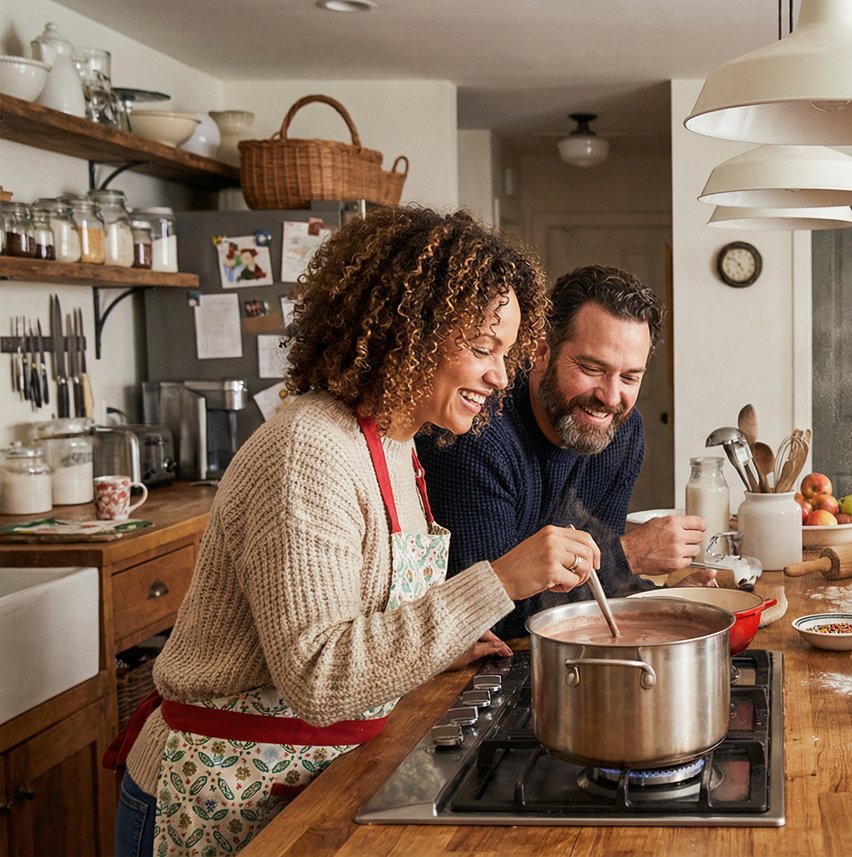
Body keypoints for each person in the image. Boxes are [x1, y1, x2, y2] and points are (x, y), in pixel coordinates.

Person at [108, 207, 598, 857]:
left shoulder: (395, 445)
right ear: (408, 329)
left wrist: (433, 644)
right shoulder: (309, 450)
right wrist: (501, 580)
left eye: (505, 354)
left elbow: (353, 619)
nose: (499, 377)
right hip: (213, 797)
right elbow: (317, 675)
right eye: (483, 349)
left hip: (302, 780)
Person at [419, 264, 707, 639]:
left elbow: (596, 588)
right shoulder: (475, 432)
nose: (610, 396)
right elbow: (487, 619)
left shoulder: (622, 431)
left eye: (630, 377)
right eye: (591, 368)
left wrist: (669, 601)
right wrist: (629, 556)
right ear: (541, 352)